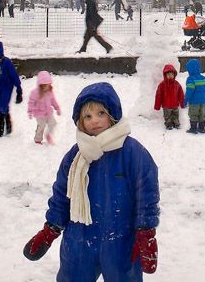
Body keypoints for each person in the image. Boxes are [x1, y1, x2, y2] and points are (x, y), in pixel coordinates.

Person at [23, 83, 160, 278]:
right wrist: (50, 230)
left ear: (112, 114)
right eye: (87, 116)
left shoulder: (132, 152)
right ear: (80, 122)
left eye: (100, 113)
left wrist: (146, 232)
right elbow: (62, 195)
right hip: (79, 239)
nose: (94, 120)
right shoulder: (75, 156)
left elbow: (146, 194)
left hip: (121, 240)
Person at [28, 71, 62, 145]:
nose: (47, 87)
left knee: (53, 123)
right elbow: (31, 102)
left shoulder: (50, 92)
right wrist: (30, 111)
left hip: (48, 112)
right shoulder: (34, 93)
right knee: (41, 126)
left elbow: (53, 101)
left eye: (49, 85)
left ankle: (48, 135)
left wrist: (57, 108)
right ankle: (38, 139)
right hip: (39, 114)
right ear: (41, 85)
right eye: (46, 85)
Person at [153, 63, 186, 130]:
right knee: (167, 116)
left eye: (172, 74)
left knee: (175, 116)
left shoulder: (177, 84)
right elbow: (158, 96)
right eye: (168, 74)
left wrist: (182, 104)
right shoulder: (162, 85)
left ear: (174, 75)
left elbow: (181, 95)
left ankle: (176, 124)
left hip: (175, 105)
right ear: (165, 75)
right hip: (166, 106)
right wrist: (157, 106)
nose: (170, 76)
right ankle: (169, 125)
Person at [184, 59, 205, 134]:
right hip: (203, 101)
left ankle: (193, 128)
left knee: (193, 114)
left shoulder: (190, 79)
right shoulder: (203, 78)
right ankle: (201, 128)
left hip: (194, 102)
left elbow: (190, 90)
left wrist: (186, 99)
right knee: (202, 114)